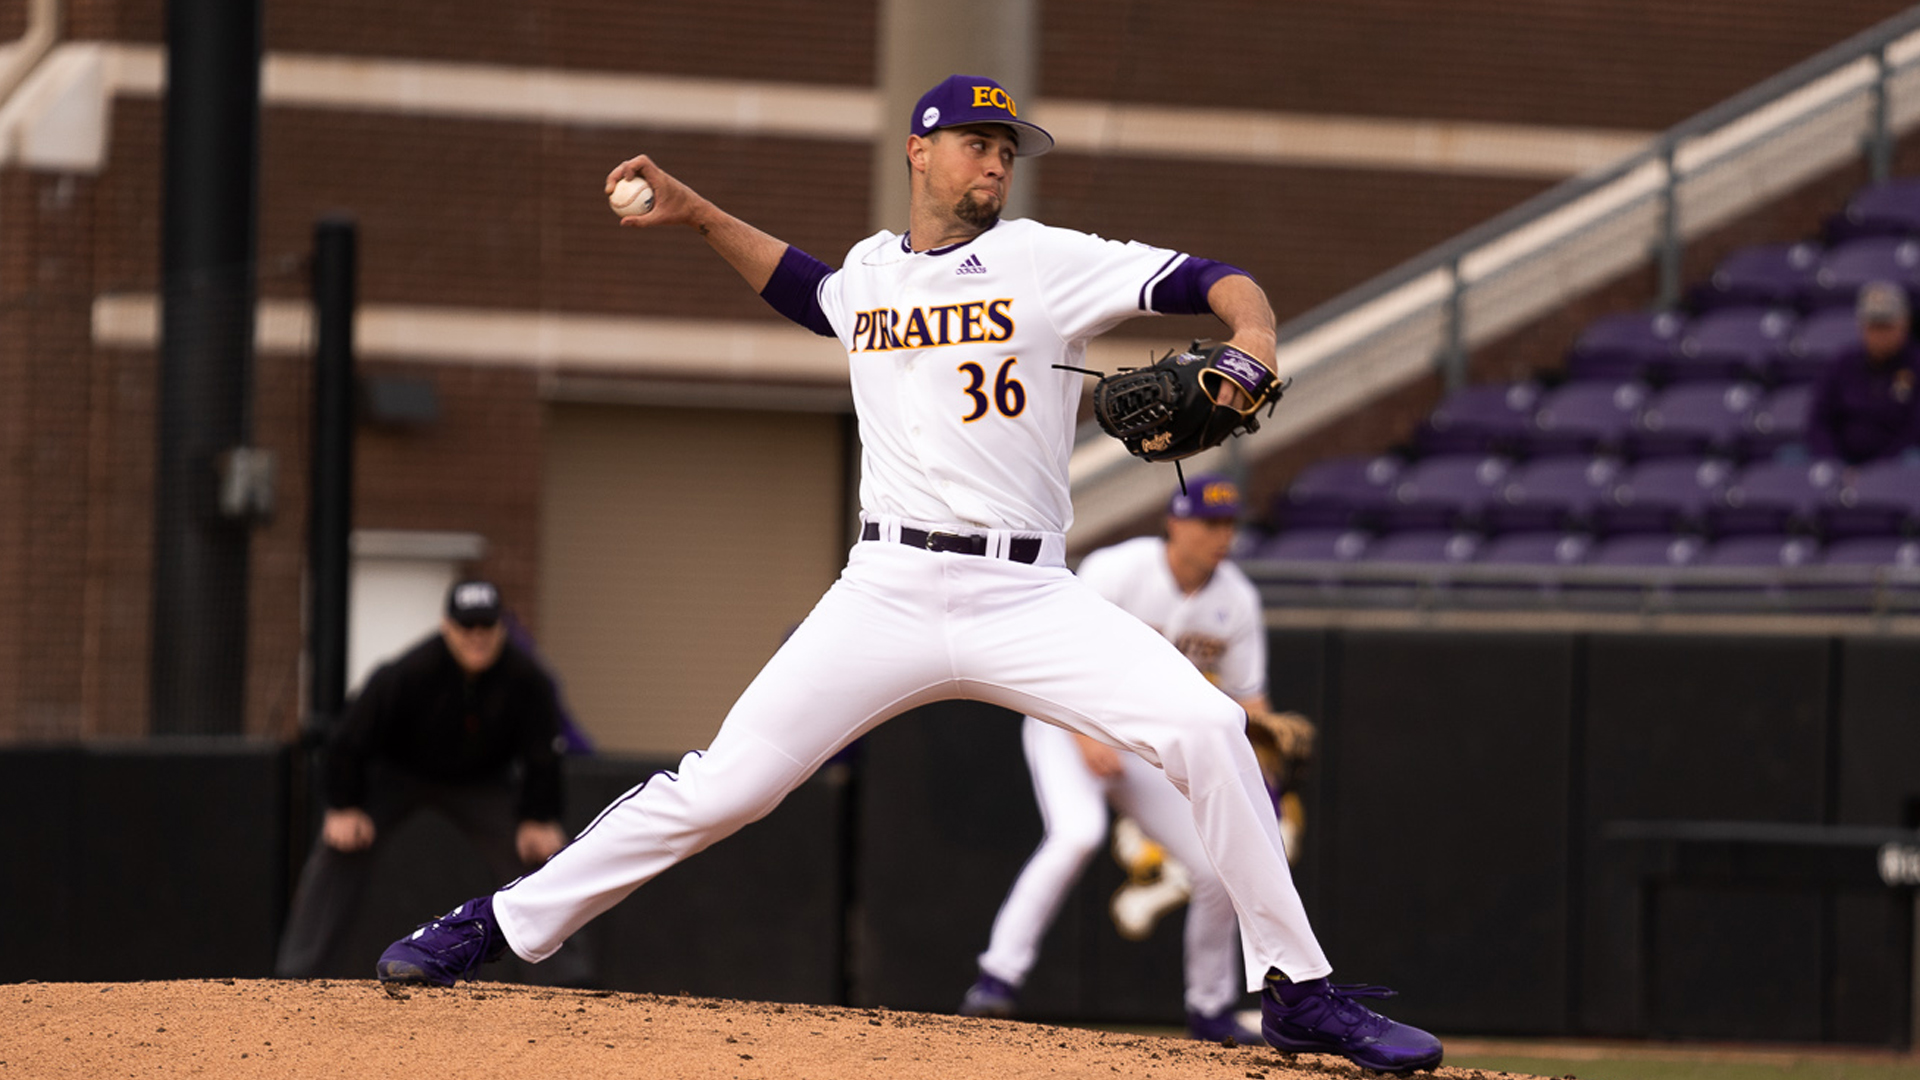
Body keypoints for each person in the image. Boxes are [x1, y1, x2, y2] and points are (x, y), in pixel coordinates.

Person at [375, 74, 1441, 1074]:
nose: (996, 163)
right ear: (918, 154)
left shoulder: (1041, 256)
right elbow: (812, 291)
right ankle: (500, 923)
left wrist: (1251, 333)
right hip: (883, 591)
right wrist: (700, 216)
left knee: (1209, 732)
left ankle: (1297, 989)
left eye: (1006, 149)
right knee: (726, 787)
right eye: (977, 144)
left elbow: (1210, 279)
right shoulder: (872, 274)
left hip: (1027, 594)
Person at [959, 474, 1315, 1044]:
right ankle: (997, 978)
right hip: (1063, 723)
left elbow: (1250, 700)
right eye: (1209, 522)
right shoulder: (1119, 568)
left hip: (1142, 741)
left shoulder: (1237, 598)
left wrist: (1265, 739)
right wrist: (1086, 737)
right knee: (1076, 833)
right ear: (1174, 523)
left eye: (1229, 524)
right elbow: (1055, 651)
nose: (1221, 535)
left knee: (1214, 868)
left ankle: (1209, 1010)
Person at [276, 579, 587, 984]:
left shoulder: (526, 679)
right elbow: (349, 736)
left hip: (481, 784)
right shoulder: (410, 671)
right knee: (339, 848)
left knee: (539, 854)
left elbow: (543, 752)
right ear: (446, 627)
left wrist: (539, 815)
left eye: (486, 627)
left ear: (502, 629)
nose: (477, 637)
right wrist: (344, 805)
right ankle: (295, 976)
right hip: (398, 774)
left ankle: (569, 981)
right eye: (466, 627)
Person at [1806, 279, 1920, 466]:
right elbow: (1819, 421)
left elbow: (1913, 431)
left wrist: (1875, 471)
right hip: (1843, 460)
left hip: (1896, 463)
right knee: (1790, 457)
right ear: (1861, 326)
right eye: (1873, 325)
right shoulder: (1843, 364)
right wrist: (1835, 462)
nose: (1879, 335)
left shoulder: (1916, 365)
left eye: (1886, 325)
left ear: (1905, 323)